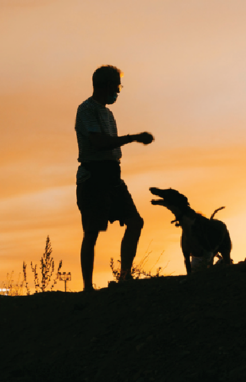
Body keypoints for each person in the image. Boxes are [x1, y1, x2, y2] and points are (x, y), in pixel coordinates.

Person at [75, 65, 154, 291]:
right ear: (108, 85)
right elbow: (98, 143)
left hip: (113, 177)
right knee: (91, 231)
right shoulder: (86, 109)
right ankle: (88, 288)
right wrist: (133, 138)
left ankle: (125, 277)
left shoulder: (108, 113)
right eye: (117, 86)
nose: (118, 91)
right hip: (93, 178)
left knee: (135, 222)